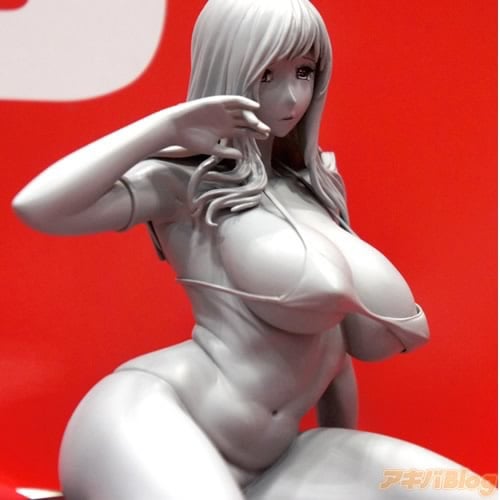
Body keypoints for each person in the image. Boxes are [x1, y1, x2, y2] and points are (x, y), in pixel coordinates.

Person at [12, 0, 496, 499]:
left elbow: (333, 345)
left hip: (274, 459)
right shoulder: (185, 182)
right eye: (267, 74)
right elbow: (39, 206)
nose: (291, 96)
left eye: (304, 71)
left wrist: (342, 453)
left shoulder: (319, 184)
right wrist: (168, 127)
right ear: (229, 71)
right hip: (150, 420)